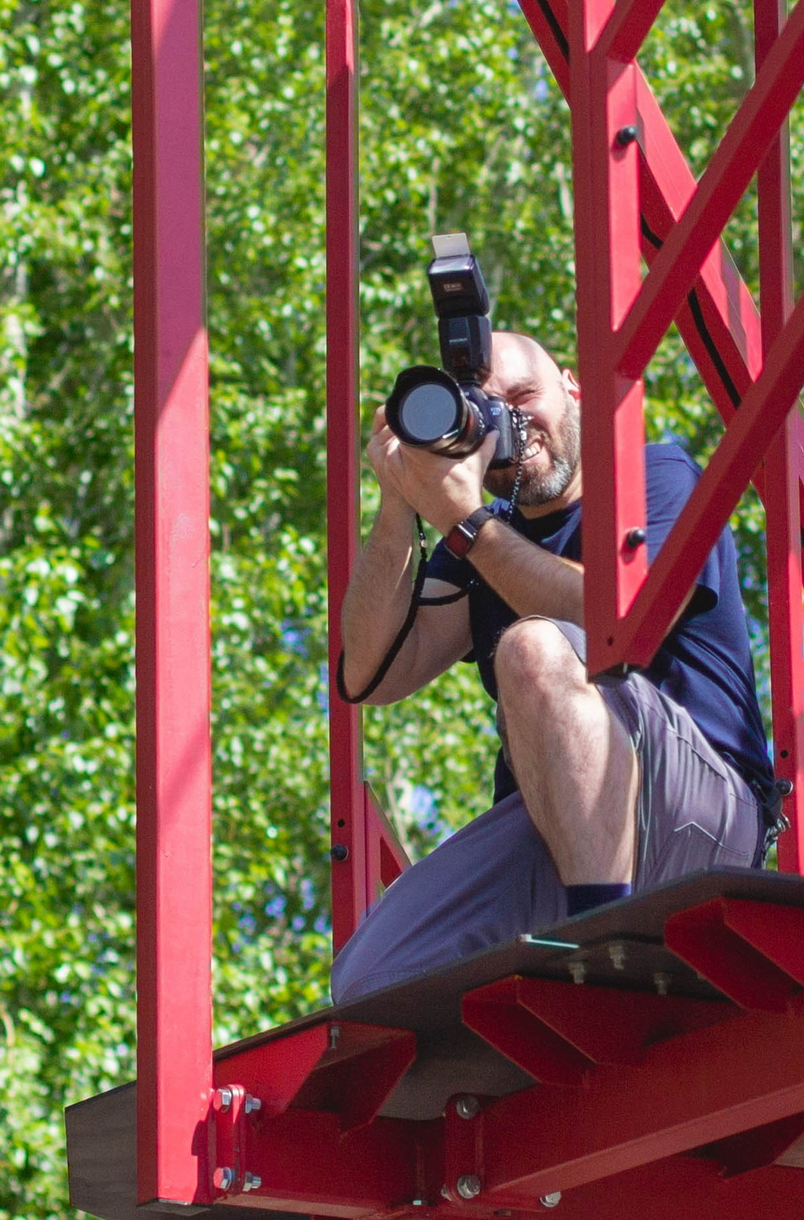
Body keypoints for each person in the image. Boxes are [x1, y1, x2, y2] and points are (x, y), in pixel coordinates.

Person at [330, 329, 774, 1001]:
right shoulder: (477, 535)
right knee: (370, 980)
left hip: (698, 808)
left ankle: (602, 959)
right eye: (489, 412)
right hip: (564, 830)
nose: (514, 421)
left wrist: (470, 522)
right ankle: (542, 1012)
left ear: (572, 387)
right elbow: (370, 674)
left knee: (532, 648)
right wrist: (404, 498)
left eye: (523, 395)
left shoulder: (653, 475)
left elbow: (618, 622)